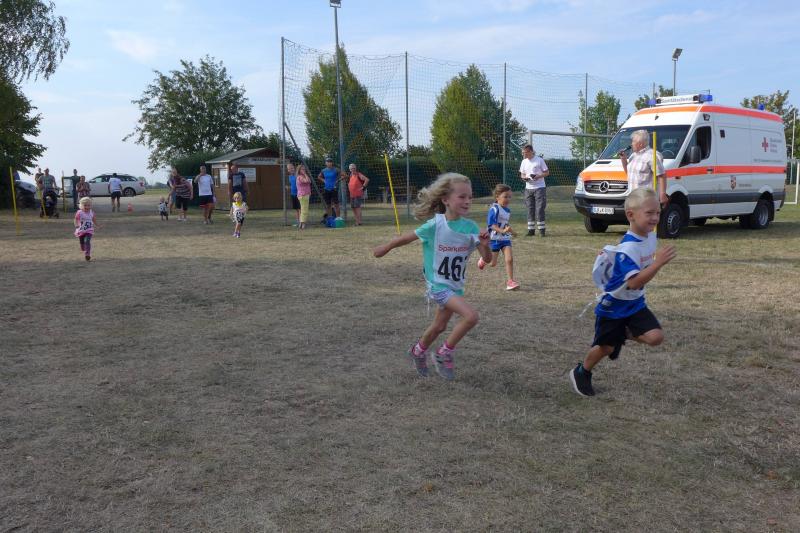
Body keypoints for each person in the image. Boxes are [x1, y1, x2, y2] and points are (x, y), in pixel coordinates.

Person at [373, 173, 491, 380]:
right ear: (445, 199)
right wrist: (386, 247)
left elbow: (487, 259)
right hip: (438, 286)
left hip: (455, 287)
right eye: (462, 197)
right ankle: (444, 353)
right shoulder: (435, 225)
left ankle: (417, 351)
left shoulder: (471, 227)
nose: (467, 201)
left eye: (470, 197)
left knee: (439, 327)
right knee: (471, 316)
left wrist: (485, 245)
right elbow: (406, 238)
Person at [569, 188, 677, 397]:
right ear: (631, 215)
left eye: (658, 212)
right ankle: (581, 372)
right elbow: (634, 282)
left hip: (635, 303)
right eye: (649, 213)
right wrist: (658, 263)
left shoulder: (650, 236)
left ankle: (623, 332)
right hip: (613, 307)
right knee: (606, 348)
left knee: (656, 337)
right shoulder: (628, 249)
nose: (655, 218)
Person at [477, 184, 519, 290]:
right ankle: (484, 259)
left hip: (505, 239)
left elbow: (505, 225)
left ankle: (510, 282)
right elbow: (492, 225)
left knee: (509, 259)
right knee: (492, 263)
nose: (508, 199)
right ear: (497, 196)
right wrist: (502, 230)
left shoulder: (508, 210)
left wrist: (512, 232)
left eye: (509, 197)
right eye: (505, 196)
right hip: (494, 239)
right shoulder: (494, 209)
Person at [620, 129, 668, 206]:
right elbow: (629, 173)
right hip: (632, 197)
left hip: (646, 199)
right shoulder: (633, 155)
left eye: (633, 141)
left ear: (640, 144)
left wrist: (662, 194)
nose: (631, 144)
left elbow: (661, 175)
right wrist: (623, 159)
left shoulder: (652, 155)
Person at [519, 144, 550, 237]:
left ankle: (542, 230)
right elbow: (522, 174)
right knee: (530, 209)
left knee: (540, 209)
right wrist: (524, 178)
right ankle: (531, 230)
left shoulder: (539, 160)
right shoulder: (524, 161)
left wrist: (538, 176)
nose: (523, 154)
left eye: (525, 153)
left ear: (531, 151)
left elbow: (547, 172)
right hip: (528, 188)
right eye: (523, 153)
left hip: (540, 188)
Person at [74, 196, 99, 261]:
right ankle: (83, 247)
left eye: (88, 205)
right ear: (81, 205)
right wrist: (76, 224)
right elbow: (76, 219)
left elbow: (93, 219)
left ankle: (87, 254)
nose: (87, 207)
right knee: (82, 243)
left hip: (89, 230)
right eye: (85, 205)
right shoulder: (79, 212)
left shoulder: (91, 212)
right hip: (81, 230)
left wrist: (97, 225)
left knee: (87, 241)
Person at [296, 163, 312, 230]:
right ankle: (303, 224)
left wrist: (305, 175)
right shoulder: (300, 177)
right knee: (304, 210)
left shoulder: (302, 176)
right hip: (303, 195)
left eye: (304, 169)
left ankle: (301, 223)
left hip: (304, 195)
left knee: (303, 210)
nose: (304, 170)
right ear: (299, 170)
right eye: (302, 169)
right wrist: (305, 174)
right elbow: (307, 181)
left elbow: (309, 181)